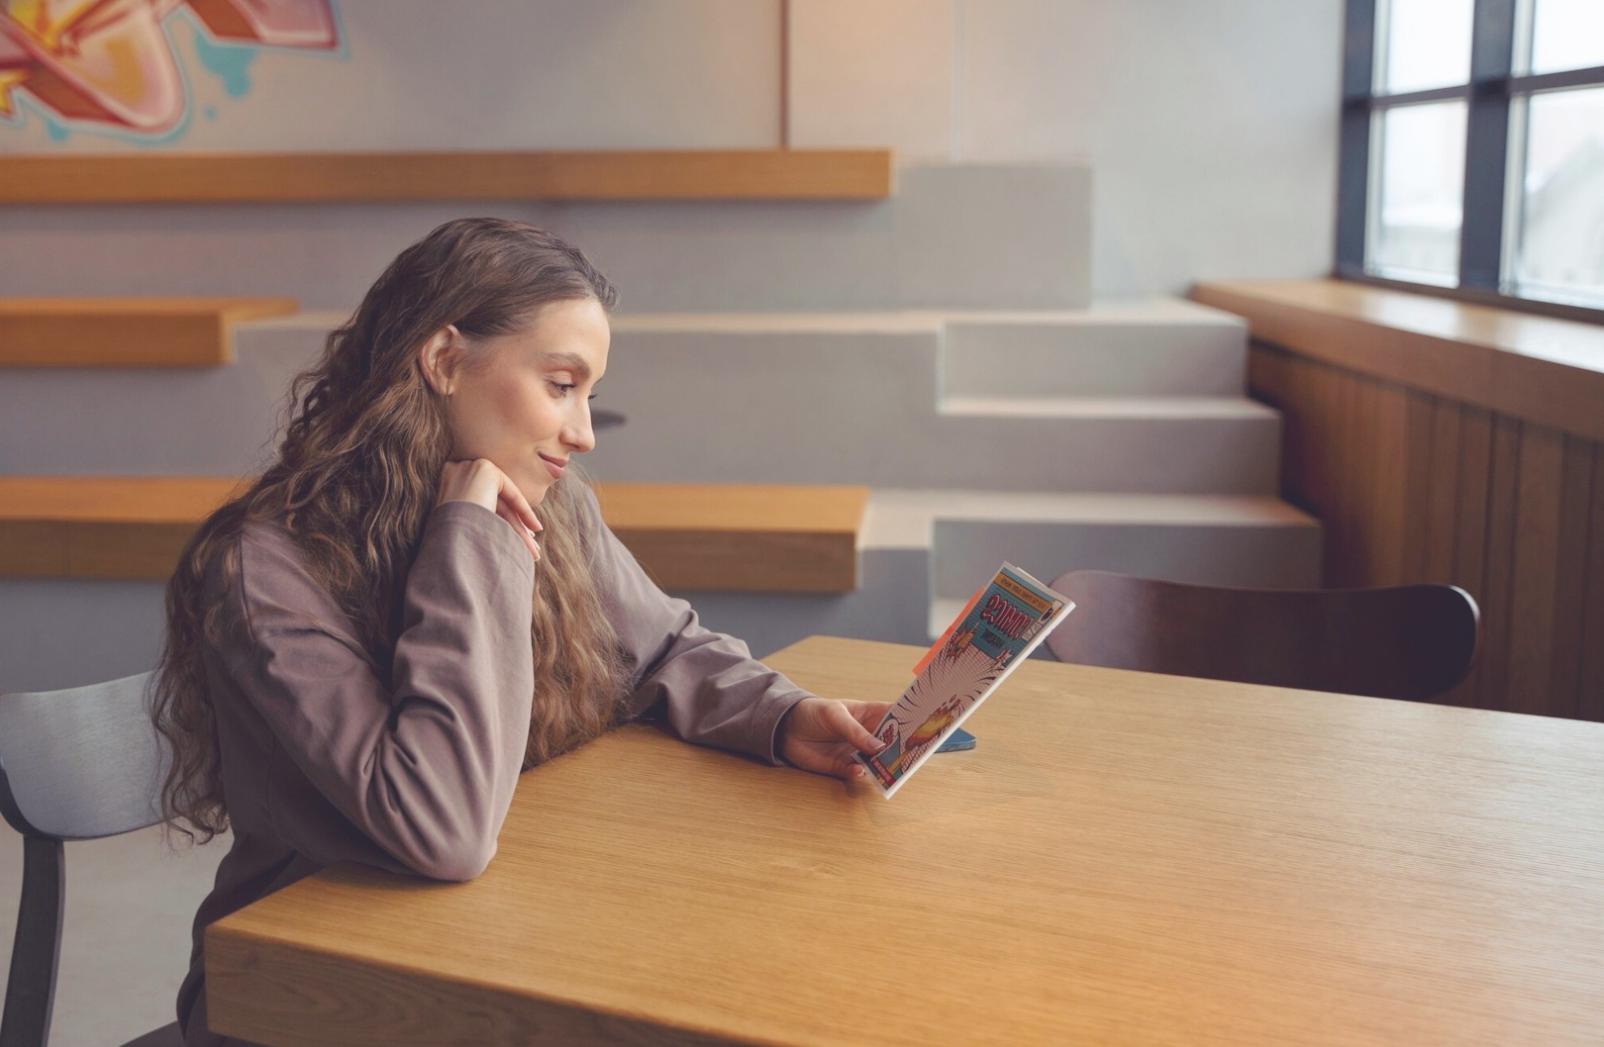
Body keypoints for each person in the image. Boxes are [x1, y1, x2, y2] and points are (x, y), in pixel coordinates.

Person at [150, 217, 892, 1046]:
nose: (580, 431)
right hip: (308, 995)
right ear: (441, 362)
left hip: (490, 948)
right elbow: (443, 827)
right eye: (560, 383)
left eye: (589, 394)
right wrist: (466, 538)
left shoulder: (552, 502)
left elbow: (666, 646)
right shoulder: (265, 566)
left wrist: (785, 717)